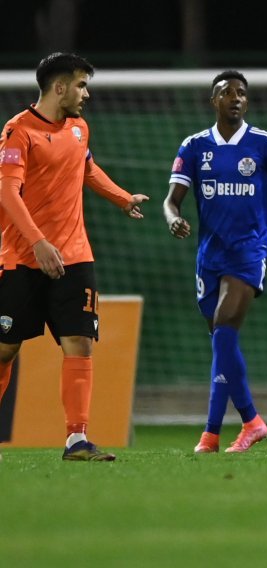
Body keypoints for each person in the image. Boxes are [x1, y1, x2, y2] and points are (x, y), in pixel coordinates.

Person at [0, 52, 149, 461]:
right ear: (59, 87)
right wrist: (37, 243)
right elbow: (7, 193)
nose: (87, 93)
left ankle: (76, 439)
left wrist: (121, 198)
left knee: (80, 343)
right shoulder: (18, 130)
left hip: (75, 257)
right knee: (5, 349)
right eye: (81, 85)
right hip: (23, 257)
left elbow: (86, 169)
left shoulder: (80, 129)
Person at [164, 70, 267, 454]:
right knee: (222, 344)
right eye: (227, 92)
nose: (235, 98)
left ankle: (232, 427)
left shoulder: (265, 144)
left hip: (249, 252)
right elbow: (172, 200)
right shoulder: (195, 146)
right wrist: (173, 219)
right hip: (209, 258)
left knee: (223, 330)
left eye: (242, 93)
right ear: (213, 100)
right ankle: (230, 429)